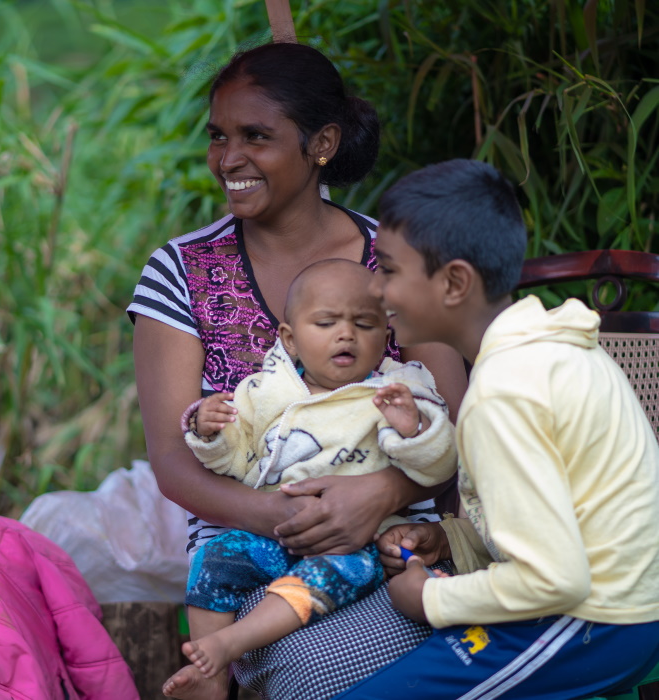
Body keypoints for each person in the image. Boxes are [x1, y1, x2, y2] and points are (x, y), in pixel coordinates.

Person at [129, 42, 468, 700]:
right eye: (219, 137)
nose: (229, 160)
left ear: (323, 144)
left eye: (256, 136)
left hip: (404, 544)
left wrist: (380, 495)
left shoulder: (395, 259)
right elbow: (173, 463)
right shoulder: (181, 273)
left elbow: (463, 421)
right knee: (325, 670)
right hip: (247, 562)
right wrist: (287, 517)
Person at [334, 158, 659, 699]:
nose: (375, 288)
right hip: (628, 608)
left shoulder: (503, 392)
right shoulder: (548, 346)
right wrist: (452, 538)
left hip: (596, 622)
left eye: (389, 269)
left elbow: (554, 579)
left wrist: (428, 602)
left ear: (455, 281)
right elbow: (561, 512)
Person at [162, 260, 457, 697]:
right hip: (276, 535)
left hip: (361, 543)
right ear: (290, 339)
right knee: (216, 558)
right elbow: (234, 461)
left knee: (327, 575)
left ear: (385, 335)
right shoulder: (265, 392)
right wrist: (209, 431)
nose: (346, 334)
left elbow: (440, 462)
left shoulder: (398, 389)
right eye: (326, 322)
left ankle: (228, 644)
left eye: (364, 323)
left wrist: (414, 429)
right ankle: (208, 682)